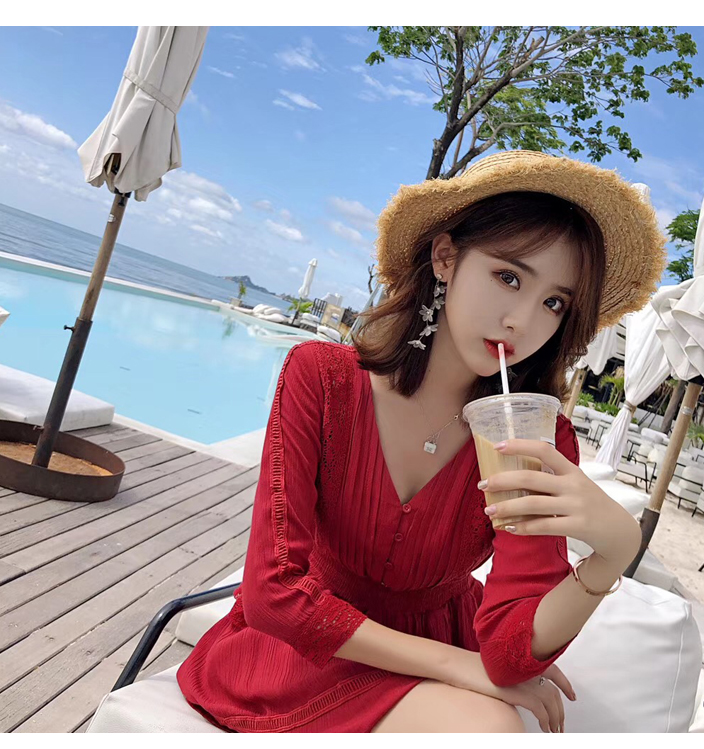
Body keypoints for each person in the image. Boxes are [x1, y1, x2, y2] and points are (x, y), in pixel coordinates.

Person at [177, 150, 667, 733]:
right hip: (305, 650)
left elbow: (511, 655)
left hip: (441, 653)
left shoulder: (537, 435)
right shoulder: (322, 379)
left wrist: (613, 553)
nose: (523, 321)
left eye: (553, 303)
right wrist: (459, 666)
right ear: (445, 258)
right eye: (509, 277)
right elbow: (272, 593)